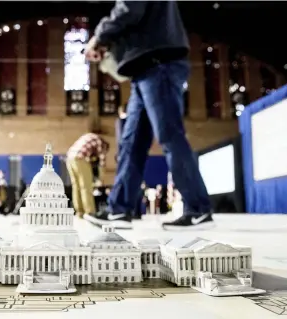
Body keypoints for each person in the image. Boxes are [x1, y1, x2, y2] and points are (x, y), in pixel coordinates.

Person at [83, 1, 212, 230]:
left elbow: (130, 9)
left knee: (170, 136)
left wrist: (99, 36)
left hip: (158, 64)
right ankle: (119, 210)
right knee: (131, 143)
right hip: (144, 68)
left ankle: (199, 209)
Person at [66, 133, 110, 218]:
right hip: (80, 158)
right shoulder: (101, 143)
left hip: (69, 158)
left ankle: (80, 211)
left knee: (76, 187)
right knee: (86, 186)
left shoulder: (89, 137)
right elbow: (102, 162)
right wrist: (101, 178)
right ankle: (90, 212)